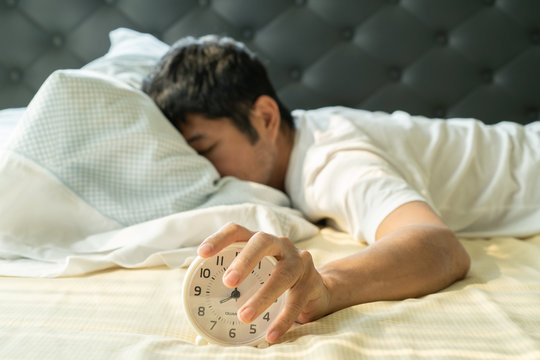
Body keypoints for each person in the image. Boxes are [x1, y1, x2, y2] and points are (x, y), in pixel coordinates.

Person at [143, 35, 540, 344]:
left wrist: (325, 286)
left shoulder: (329, 160)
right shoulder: (304, 143)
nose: (202, 172)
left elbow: (439, 246)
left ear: (265, 117)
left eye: (206, 149)